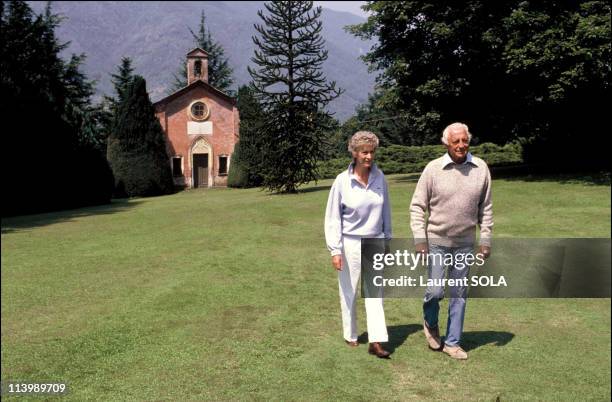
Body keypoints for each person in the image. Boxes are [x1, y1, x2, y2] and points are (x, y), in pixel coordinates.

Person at [410, 122, 493, 360]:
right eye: (455, 141)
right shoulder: (433, 169)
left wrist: (485, 239)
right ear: (446, 142)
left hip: (465, 242)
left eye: (464, 140)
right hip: (436, 240)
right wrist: (419, 238)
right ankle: (430, 321)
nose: (461, 145)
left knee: (459, 293)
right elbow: (417, 206)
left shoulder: (480, 168)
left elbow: (486, 209)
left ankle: (453, 343)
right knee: (435, 291)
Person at [324, 131, 392, 358]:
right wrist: (335, 249)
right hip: (349, 243)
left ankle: (376, 341)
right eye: (364, 152)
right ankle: (351, 334)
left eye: (372, 152)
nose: (369, 156)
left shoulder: (380, 178)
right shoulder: (342, 181)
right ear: (354, 153)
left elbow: (386, 212)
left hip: (375, 242)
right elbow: (333, 217)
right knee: (349, 291)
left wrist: (387, 240)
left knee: (376, 294)